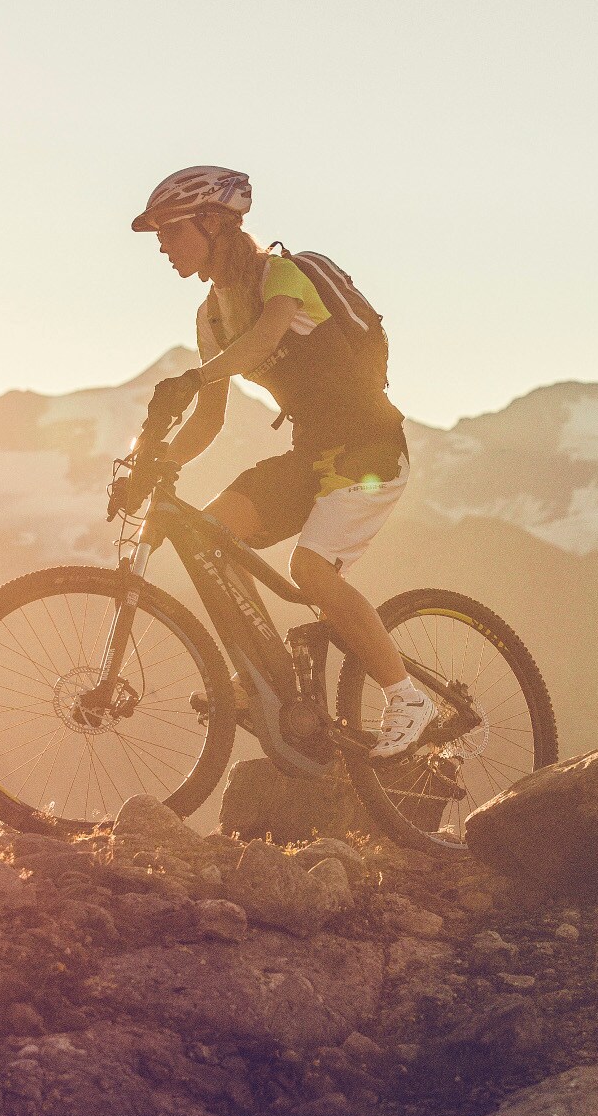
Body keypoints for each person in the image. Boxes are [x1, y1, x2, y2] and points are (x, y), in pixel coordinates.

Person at [129, 165, 435, 758]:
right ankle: (264, 678)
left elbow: (267, 337)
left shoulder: (284, 276)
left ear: (214, 223)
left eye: (171, 232)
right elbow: (210, 422)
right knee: (210, 538)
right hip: (311, 456)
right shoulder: (210, 316)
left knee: (312, 571)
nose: (163, 247)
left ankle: (407, 696)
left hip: (370, 449)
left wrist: (195, 376)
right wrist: (157, 462)